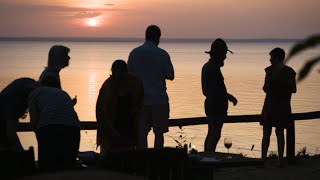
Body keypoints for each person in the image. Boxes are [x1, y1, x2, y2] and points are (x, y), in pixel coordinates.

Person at [127, 25, 174, 148]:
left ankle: (143, 161)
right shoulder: (162, 54)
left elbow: (128, 77)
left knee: (142, 134)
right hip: (159, 100)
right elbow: (171, 75)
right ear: (158, 37)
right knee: (159, 133)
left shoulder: (134, 53)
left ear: (146, 36)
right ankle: (157, 161)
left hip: (141, 101)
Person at [28, 76, 80, 171]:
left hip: (49, 129)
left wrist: (36, 131)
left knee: (47, 167)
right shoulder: (63, 93)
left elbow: (34, 119)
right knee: (68, 165)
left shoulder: (35, 93)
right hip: (73, 128)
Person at [96, 60, 144, 153]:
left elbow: (139, 104)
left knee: (128, 151)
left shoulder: (135, 83)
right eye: (116, 72)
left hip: (130, 124)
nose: (118, 75)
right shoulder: (108, 86)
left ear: (126, 71)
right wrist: (109, 128)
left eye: (121, 72)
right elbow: (101, 110)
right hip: (111, 124)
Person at [261, 47, 297, 166]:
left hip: (273, 105)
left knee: (269, 132)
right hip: (281, 105)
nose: (270, 60)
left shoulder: (270, 71)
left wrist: (275, 84)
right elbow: (293, 89)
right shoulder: (289, 71)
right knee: (277, 132)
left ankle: (265, 159)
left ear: (277, 58)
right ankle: (279, 159)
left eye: (271, 57)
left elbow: (265, 88)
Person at [201, 38, 237, 152]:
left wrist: (227, 95)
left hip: (212, 105)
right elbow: (215, 91)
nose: (225, 57)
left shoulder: (209, 67)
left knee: (212, 132)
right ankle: (209, 157)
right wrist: (228, 96)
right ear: (219, 54)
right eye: (224, 54)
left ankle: (207, 156)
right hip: (215, 106)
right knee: (215, 133)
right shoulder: (212, 68)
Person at [0, 78, 36, 151]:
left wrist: (34, 126)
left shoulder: (27, 83)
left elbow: (12, 125)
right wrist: (22, 152)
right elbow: (10, 131)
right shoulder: (15, 102)